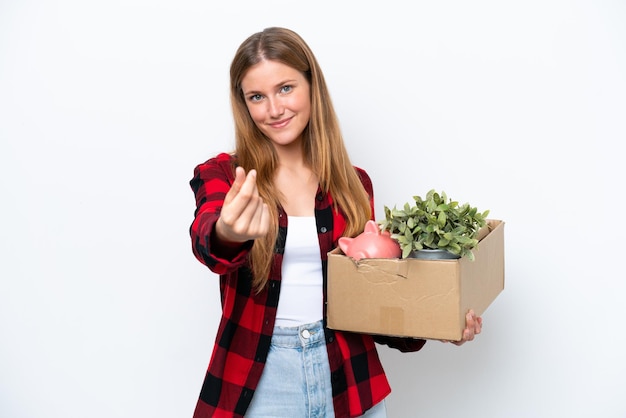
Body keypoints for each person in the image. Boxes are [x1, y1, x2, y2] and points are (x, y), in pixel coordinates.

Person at [188, 27, 482, 418]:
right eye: (257, 97)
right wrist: (229, 233)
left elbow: (370, 298)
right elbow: (208, 241)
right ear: (244, 105)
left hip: (347, 375)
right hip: (263, 378)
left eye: (286, 88)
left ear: (312, 86)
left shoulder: (353, 183)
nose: (274, 109)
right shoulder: (224, 174)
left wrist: (438, 322)